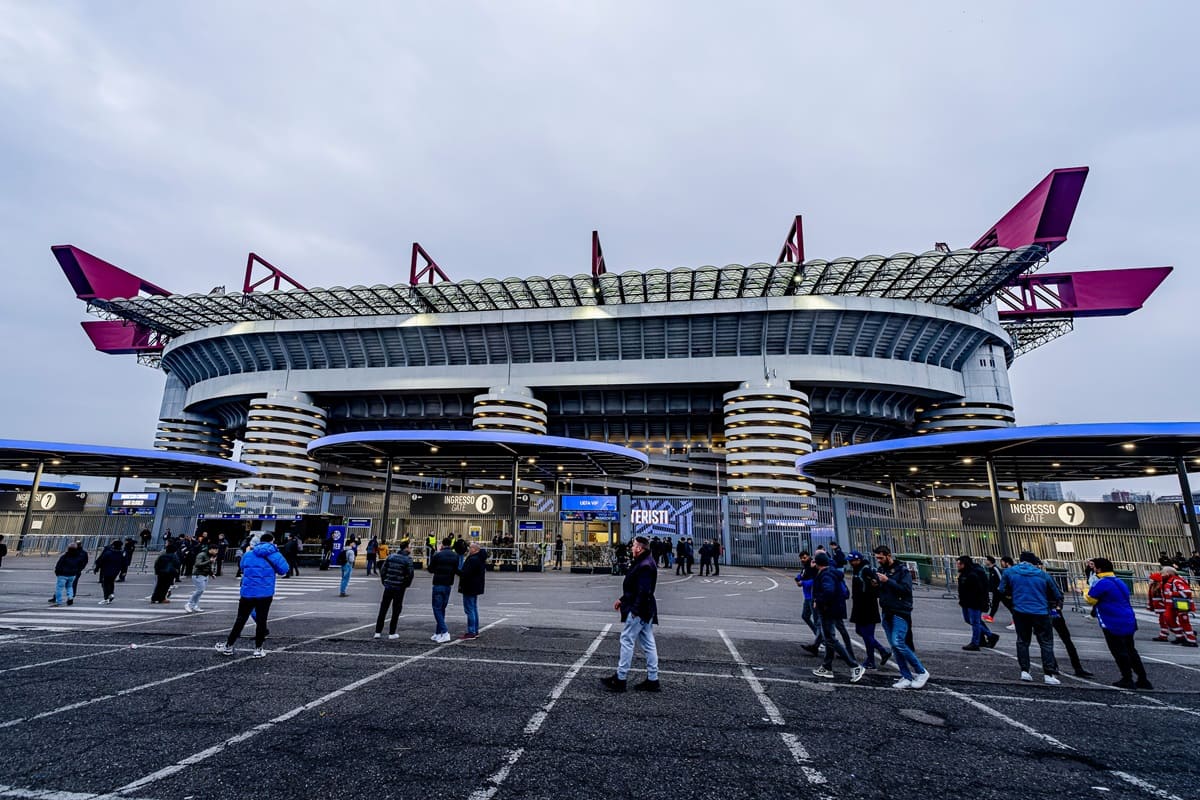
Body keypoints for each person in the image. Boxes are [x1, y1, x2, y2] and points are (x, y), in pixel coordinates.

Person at [215, 533, 290, 658]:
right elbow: (284, 570)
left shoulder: (249, 554)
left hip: (248, 592)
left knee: (240, 619)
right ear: (272, 541)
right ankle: (258, 649)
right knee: (261, 620)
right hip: (265, 593)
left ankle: (229, 646)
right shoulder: (275, 554)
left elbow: (242, 567)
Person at [601, 535, 660, 692]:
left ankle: (620, 679)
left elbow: (643, 591)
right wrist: (622, 599)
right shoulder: (644, 561)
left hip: (639, 610)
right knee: (648, 642)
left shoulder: (645, 565)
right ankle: (653, 679)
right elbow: (635, 588)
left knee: (627, 640)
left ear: (639, 548)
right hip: (645, 608)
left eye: (633, 545)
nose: (631, 548)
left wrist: (635, 611)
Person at [1085, 556, 1152, 689]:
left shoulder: (1102, 582)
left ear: (1099, 569)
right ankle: (1143, 678)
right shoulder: (1119, 581)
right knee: (1131, 650)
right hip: (1128, 618)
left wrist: (1084, 591)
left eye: (1095, 567)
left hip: (1112, 620)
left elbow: (1091, 599)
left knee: (1118, 651)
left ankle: (1127, 678)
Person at [997, 551, 1062, 685]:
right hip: (1041, 611)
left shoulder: (1009, 572)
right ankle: (1048, 673)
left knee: (1022, 641)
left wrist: (1012, 597)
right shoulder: (1043, 575)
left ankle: (1025, 671)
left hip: (1020, 610)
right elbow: (1057, 593)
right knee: (1046, 642)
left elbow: (1001, 589)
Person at [872, 545, 930, 689]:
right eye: (877, 558)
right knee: (894, 646)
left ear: (888, 555)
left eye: (881, 557)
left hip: (900, 611)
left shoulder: (902, 571)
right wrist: (876, 585)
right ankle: (906, 676)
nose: (878, 560)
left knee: (898, 642)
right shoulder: (881, 570)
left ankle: (921, 671)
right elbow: (882, 591)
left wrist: (887, 581)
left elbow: (906, 590)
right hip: (887, 610)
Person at [810, 552, 866, 683]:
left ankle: (854, 666)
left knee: (830, 639)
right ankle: (827, 666)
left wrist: (818, 600)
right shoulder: (831, 572)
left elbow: (828, 591)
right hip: (833, 608)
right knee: (829, 638)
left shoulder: (826, 575)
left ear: (818, 563)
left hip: (828, 609)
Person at [848, 550, 890, 669]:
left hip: (867, 605)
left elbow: (876, 584)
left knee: (867, 633)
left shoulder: (866, 570)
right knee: (861, 631)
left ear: (858, 560)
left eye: (852, 561)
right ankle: (880, 653)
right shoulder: (858, 570)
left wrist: (874, 585)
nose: (850, 563)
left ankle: (875, 657)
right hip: (859, 605)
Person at [374, 538, 414, 639]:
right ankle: (392, 632)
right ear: (406, 548)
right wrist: (405, 585)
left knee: (383, 608)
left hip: (389, 586)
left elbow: (383, 570)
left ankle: (377, 631)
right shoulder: (408, 560)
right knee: (396, 610)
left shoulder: (391, 557)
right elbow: (410, 574)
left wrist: (385, 581)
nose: (411, 549)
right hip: (399, 587)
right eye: (410, 547)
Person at [957, 555, 998, 651]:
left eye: (959, 564)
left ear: (964, 564)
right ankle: (989, 636)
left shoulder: (972, 575)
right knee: (970, 620)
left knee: (975, 622)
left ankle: (976, 642)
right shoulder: (966, 573)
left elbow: (978, 590)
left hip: (974, 602)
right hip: (967, 601)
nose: (957, 565)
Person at [428, 536, 459, 643]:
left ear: (442, 544)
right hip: (448, 584)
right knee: (442, 609)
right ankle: (438, 633)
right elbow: (456, 570)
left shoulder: (438, 555)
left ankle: (445, 632)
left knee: (437, 608)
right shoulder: (455, 556)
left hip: (438, 583)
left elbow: (430, 569)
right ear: (450, 544)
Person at [1159, 566, 1197, 646]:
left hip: (1181, 604)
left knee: (1184, 622)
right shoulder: (1168, 580)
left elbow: (1186, 592)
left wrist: (1172, 594)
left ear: (1168, 573)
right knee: (1168, 619)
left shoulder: (1176, 580)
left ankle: (1191, 640)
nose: (1161, 575)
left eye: (1162, 573)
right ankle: (1180, 636)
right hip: (1171, 605)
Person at [458, 541, 488, 640]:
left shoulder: (473, 559)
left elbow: (465, 573)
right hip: (475, 586)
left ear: (474, 549)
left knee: (469, 609)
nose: (468, 549)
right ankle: (475, 630)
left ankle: (471, 631)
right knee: (473, 608)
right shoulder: (480, 558)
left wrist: (457, 571)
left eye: (470, 547)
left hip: (469, 586)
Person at [53, 542, 89, 606]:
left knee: (59, 588)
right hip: (72, 574)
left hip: (63, 574)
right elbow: (81, 564)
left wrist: (57, 572)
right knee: (69, 587)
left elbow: (59, 565)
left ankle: (59, 601)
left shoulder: (64, 556)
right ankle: (70, 598)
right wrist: (77, 571)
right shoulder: (79, 556)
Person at [186, 543, 217, 612]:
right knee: (200, 590)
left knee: (200, 591)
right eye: (215, 550)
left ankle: (194, 605)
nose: (216, 552)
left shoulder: (210, 556)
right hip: (198, 574)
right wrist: (209, 561)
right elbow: (197, 564)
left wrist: (211, 574)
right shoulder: (202, 555)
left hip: (205, 575)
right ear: (211, 549)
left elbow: (208, 566)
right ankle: (188, 604)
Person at [93, 539, 125, 605]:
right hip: (116, 571)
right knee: (111, 582)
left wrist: (97, 568)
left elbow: (101, 561)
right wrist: (123, 571)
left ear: (113, 545)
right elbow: (124, 563)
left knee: (105, 584)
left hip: (107, 570)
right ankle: (111, 594)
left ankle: (107, 597)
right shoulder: (121, 553)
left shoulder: (108, 553)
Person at [1148, 572, 1169, 641]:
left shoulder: (1160, 587)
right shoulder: (1153, 587)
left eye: (1151, 579)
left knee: (1166, 622)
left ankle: (1164, 635)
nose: (1150, 581)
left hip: (1163, 608)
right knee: (1163, 622)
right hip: (1160, 608)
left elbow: (1164, 598)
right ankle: (1163, 635)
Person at [981, 555, 1003, 623]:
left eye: (986, 560)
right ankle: (991, 616)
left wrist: (1000, 588)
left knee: (1008, 605)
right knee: (994, 604)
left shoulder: (995, 569)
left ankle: (1015, 619)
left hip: (1000, 591)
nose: (985, 561)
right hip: (996, 591)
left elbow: (1001, 578)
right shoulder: (991, 569)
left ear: (990, 561)